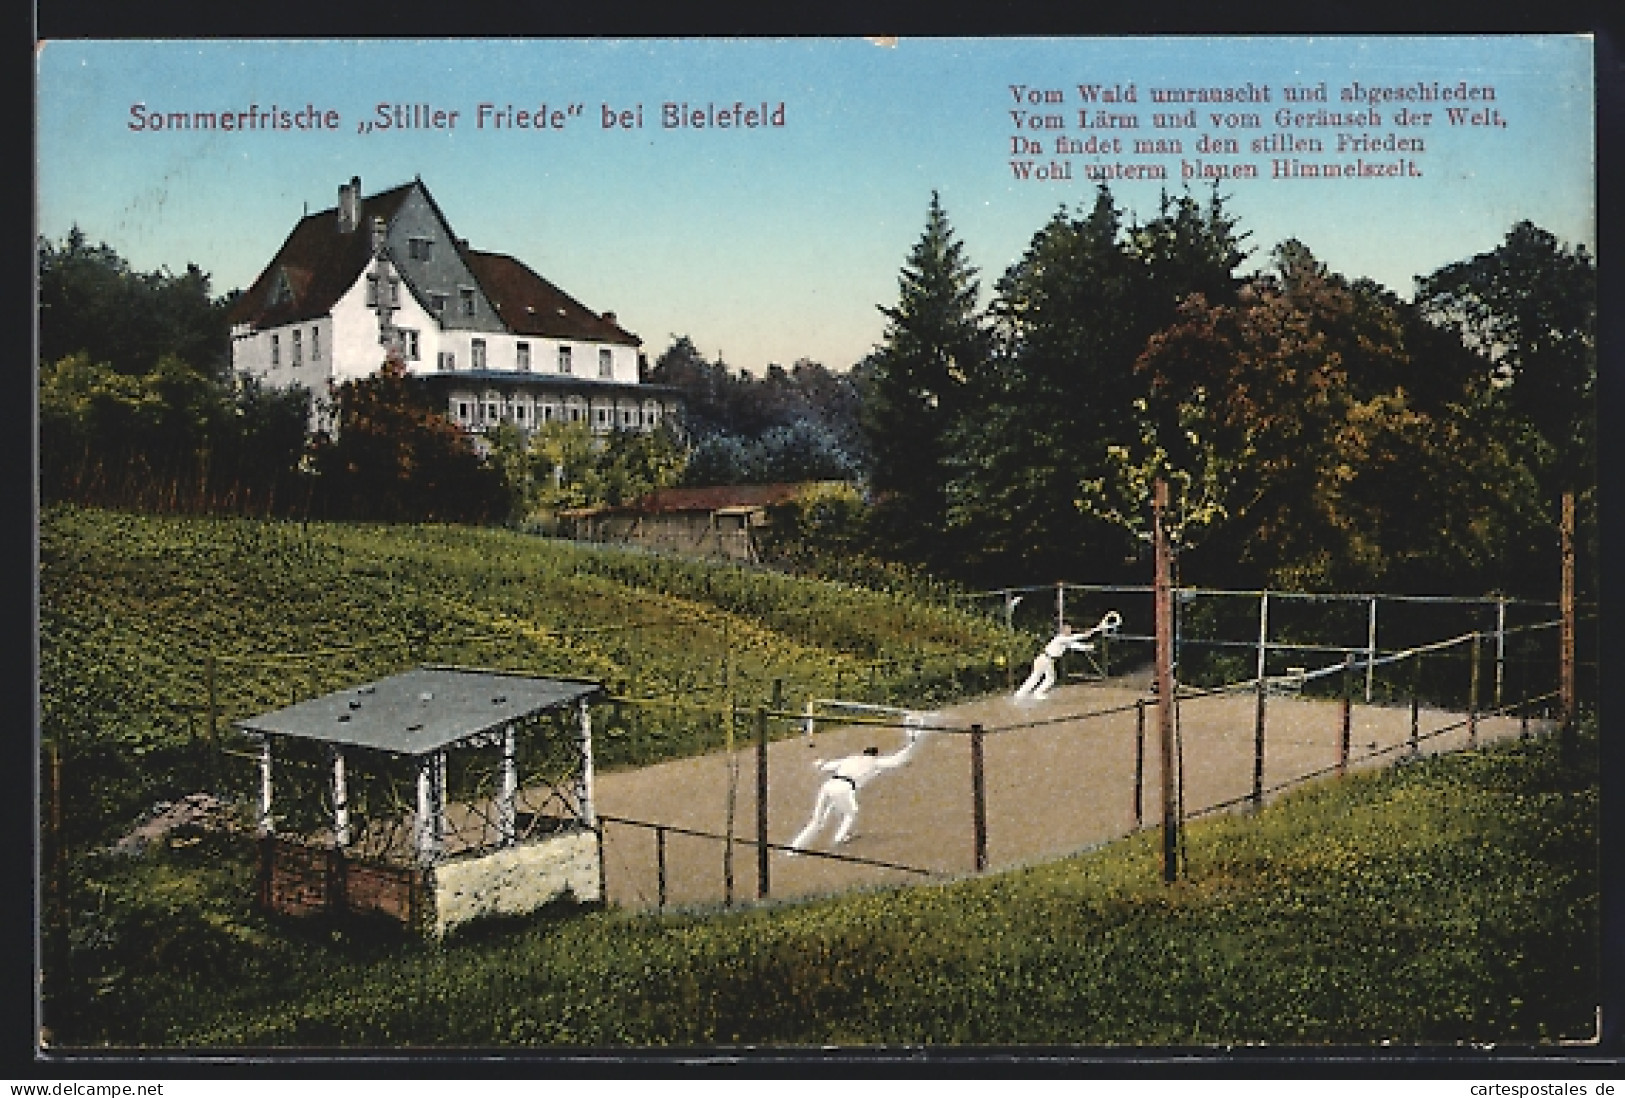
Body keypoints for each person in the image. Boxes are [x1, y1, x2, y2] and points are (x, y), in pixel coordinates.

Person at [787, 730, 923, 853]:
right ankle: (839, 838)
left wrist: (819, 762)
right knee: (852, 812)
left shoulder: (850, 759)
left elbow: (824, 766)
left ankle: (794, 849)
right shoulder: (875, 762)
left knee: (816, 821)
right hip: (844, 788)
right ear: (875, 755)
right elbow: (898, 759)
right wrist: (912, 742)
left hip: (829, 784)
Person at [1014, 623, 1095, 701]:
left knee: (1050, 679)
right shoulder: (1060, 638)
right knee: (1035, 677)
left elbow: (1076, 645)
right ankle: (1020, 694)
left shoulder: (1066, 641)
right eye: (1068, 630)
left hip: (1048, 661)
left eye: (1070, 629)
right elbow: (1073, 638)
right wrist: (1085, 635)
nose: (1070, 631)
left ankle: (1037, 693)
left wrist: (1088, 647)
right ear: (1063, 631)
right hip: (1044, 659)